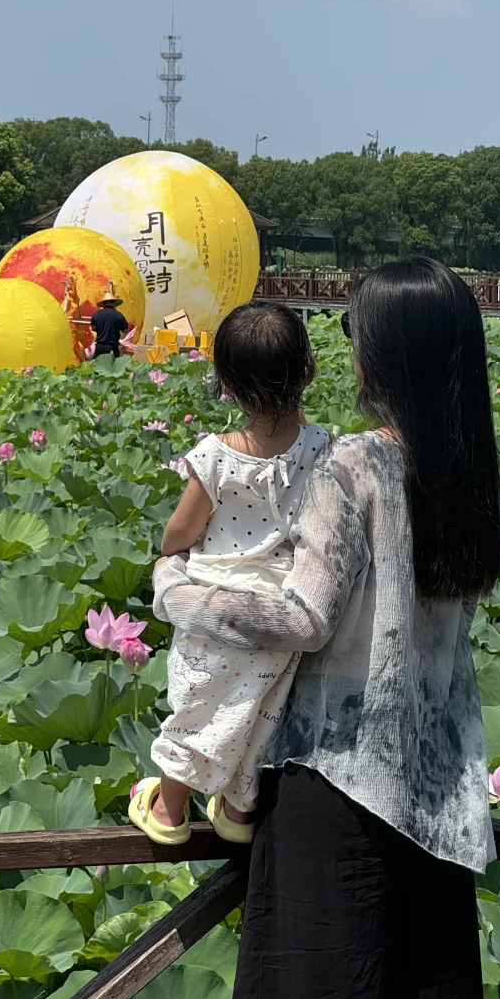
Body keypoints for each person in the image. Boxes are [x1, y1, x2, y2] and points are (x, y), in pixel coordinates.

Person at [152, 257, 500, 999]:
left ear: (386, 351)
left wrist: (178, 591)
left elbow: (301, 619)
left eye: (355, 329)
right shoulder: (464, 467)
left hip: (337, 789)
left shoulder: (356, 465)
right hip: (442, 796)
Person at [129, 302, 328, 846]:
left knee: (196, 709)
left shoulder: (214, 457)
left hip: (215, 610)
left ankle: (170, 811)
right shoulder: (322, 448)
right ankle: (238, 814)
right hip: (281, 613)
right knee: (254, 713)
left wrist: (167, 557)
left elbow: (181, 533)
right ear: (307, 372)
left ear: (227, 387)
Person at [89, 291, 129, 358]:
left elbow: (93, 328)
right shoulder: (119, 315)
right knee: (112, 367)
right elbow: (125, 330)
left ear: (103, 303)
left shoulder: (96, 315)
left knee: (96, 366)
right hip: (112, 347)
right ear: (113, 303)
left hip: (99, 347)